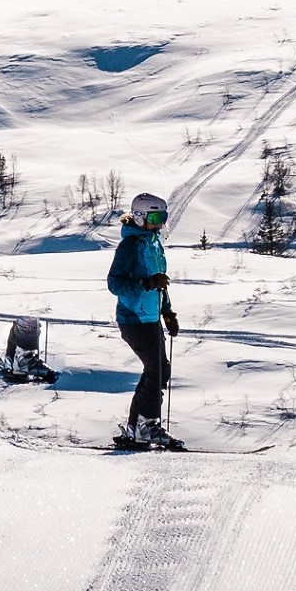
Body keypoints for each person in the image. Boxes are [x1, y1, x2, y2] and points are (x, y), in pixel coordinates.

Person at [107, 190, 182, 448]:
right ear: (140, 216)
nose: (161, 222)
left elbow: (160, 283)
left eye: (164, 216)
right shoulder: (130, 245)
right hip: (133, 318)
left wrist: (168, 312)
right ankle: (145, 425)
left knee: (157, 370)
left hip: (150, 317)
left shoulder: (152, 243)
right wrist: (145, 283)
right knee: (158, 369)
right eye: (156, 216)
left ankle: (139, 426)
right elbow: (114, 283)